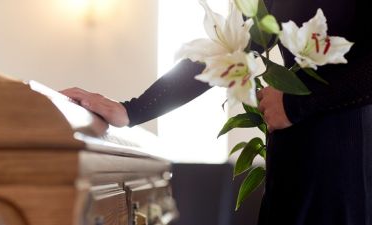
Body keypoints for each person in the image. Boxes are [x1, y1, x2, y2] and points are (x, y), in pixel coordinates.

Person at [61, 0, 372, 224]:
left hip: (352, 167)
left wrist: (297, 102)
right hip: (294, 162)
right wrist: (131, 110)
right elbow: (225, 51)